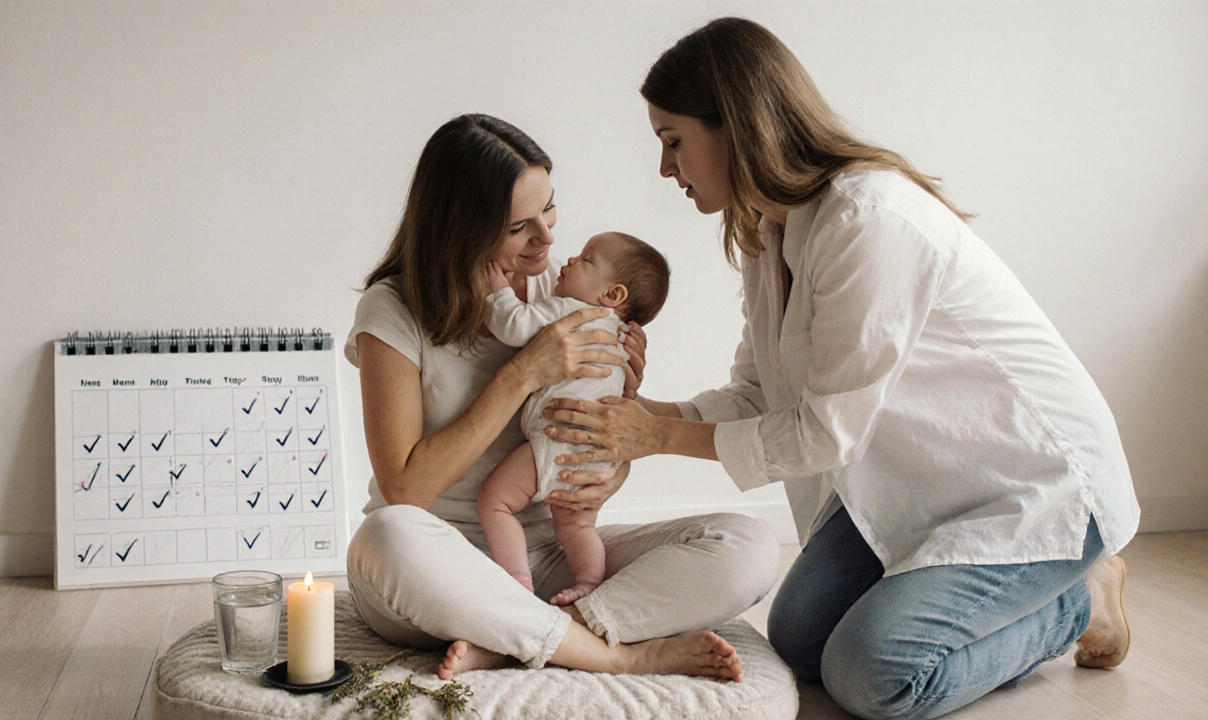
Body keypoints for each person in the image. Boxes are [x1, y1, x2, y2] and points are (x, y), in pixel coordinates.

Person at [540, 18, 1140, 720]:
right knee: (799, 640)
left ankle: (1076, 600)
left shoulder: (868, 222)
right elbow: (758, 393)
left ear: (734, 124)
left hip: (1031, 483)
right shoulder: (770, 228)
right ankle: (1004, 590)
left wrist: (658, 437)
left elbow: (824, 435)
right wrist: (639, 421)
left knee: (874, 675)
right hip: (920, 478)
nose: (666, 169)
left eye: (673, 142)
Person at [345, 113, 780, 683]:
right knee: (386, 534)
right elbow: (404, 488)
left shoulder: (563, 289)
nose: (547, 238)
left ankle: (529, 635)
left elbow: (587, 433)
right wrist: (523, 373)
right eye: (518, 226)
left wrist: (611, 453)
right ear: (461, 229)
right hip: (437, 566)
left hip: (546, 556)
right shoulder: (393, 309)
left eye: (549, 207)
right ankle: (616, 654)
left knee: (749, 543)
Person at [479, 231, 671, 608]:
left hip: (558, 440)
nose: (568, 260)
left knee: (496, 503)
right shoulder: (621, 335)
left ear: (612, 295)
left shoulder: (568, 310)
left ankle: (518, 585)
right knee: (578, 525)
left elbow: (513, 325)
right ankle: (588, 584)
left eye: (586, 259)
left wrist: (499, 292)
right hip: (600, 452)